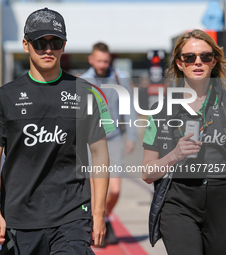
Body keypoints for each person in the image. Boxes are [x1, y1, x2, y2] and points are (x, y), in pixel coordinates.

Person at [0, 8, 114, 254]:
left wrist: (98, 212)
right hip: (20, 217)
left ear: (64, 46)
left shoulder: (87, 93)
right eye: (40, 42)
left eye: (55, 42)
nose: (48, 49)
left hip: (72, 214)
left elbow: (100, 155)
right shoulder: (4, 96)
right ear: (26, 44)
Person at [142, 29, 226, 255]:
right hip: (178, 203)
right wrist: (174, 156)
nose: (197, 62)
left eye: (205, 57)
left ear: (213, 61)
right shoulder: (160, 110)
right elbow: (147, 173)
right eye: (189, 57)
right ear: (179, 63)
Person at [81, 42, 137, 246]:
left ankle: (102, 218)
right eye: (99, 60)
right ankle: (96, 226)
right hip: (91, 141)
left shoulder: (120, 78)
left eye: (106, 60)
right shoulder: (83, 80)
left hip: (113, 139)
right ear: (91, 60)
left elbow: (128, 107)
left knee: (114, 190)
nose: (103, 64)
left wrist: (131, 135)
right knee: (96, 189)